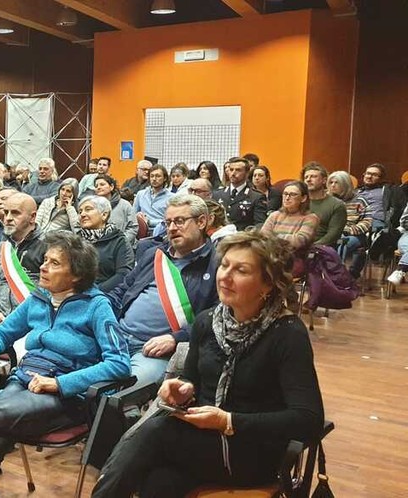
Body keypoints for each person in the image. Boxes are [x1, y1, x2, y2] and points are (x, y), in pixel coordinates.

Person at [92, 231, 324, 497]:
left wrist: (228, 421)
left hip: (254, 450)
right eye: (224, 265)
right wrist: (183, 389)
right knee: (157, 483)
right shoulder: (207, 321)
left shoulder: (287, 333)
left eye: (241, 270)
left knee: (157, 432)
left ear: (268, 285)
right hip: (202, 440)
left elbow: (309, 420)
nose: (224, 276)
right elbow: (192, 380)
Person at [0, 231, 130, 497]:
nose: (43, 267)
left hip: (65, 397)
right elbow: (2, 332)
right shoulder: (39, 298)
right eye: (45, 260)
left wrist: (60, 383)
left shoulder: (97, 306)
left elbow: (119, 364)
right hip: (23, 381)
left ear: (77, 275)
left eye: (54, 263)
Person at [107, 195, 219, 385]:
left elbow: (217, 317)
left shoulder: (217, 264)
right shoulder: (154, 254)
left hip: (154, 351)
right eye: (168, 223)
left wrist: (177, 338)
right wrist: (99, 313)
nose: (172, 228)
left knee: (123, 388)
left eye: (179, 221)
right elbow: (123, 290)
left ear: (201, 222)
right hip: (115, 335)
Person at [0, 193, 46, 327]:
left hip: (35, 323)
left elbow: (53, 293)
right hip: (1, 324)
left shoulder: (48, 247)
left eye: (15, 213)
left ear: (33, 217)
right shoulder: (0, 249)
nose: (7, 218)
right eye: (6, 212)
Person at [77, 196, 134, 292]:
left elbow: (123, 274)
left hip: (105, 293)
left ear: (104, 215)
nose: (82, 214)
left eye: (88, 209)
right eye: (80, 211)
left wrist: (95, 292)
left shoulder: (119, 240)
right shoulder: (75, 240)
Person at [260, 182, 318, 277]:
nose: (287, 198)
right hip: (271, 256)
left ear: (303, 198)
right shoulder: (275, 215)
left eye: (293, 194)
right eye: (285, 194)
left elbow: (298, 241)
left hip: (294, 259)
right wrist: (283, 239)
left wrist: (273, 237)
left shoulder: (310, 218)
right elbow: (262, 237)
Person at [328, 171, 372, 266]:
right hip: (330, 233)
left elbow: (367, 222)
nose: (333, 185)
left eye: (336, 182)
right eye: (331, 182)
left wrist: (348, 230)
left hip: (354, 235)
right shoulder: (327, 200)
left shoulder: (360, 200)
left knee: (341, 243)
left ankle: (337, 271)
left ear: (345, 184)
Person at [212, 158, 267, 231]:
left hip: (242, 236)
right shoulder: (217, 194)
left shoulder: (256, 197)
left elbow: (259, 225)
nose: (233, 173)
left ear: (247, 173)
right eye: (231, 170)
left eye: (238, 170)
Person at [302, 162, 346, 247]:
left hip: (320, 248)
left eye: (313, 176)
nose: (308, 180)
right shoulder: (299, 201)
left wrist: (312, 248)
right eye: (306, 177)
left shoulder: (337, 205)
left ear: (324, 180)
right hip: (295, 245)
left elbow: (333, 235)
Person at [93, 174, 138, 246]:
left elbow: (133, 227)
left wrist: (121, 243)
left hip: (123, 245)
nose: (98, 187)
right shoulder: (92, 206)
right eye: (96, 186)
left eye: (102, 184)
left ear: (111, 187)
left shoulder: (125, 205)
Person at [134, 164, 171, 236]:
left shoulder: (172, 197)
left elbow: (169, 221)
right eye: (152, 176)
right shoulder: (140, 194)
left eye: (158, 176)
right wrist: (138, 216)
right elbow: (133, 216)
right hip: (141, 233)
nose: (154, 179)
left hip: (161, 234)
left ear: (165, 178)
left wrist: (149, 222)